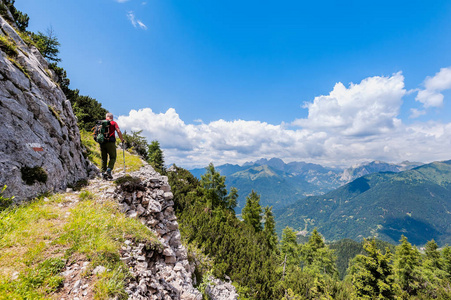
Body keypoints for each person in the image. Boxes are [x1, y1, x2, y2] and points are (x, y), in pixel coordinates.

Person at [101, 113, 124, 179]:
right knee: (113, 157)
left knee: (104, 158)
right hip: (110, 142)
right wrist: (122, 139)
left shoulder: (101, 123)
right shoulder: (113, 123)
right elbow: (118, 131)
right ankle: (109, 169)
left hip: (102, 142)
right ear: (112, 117)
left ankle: (103, 173)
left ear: (106, 117)